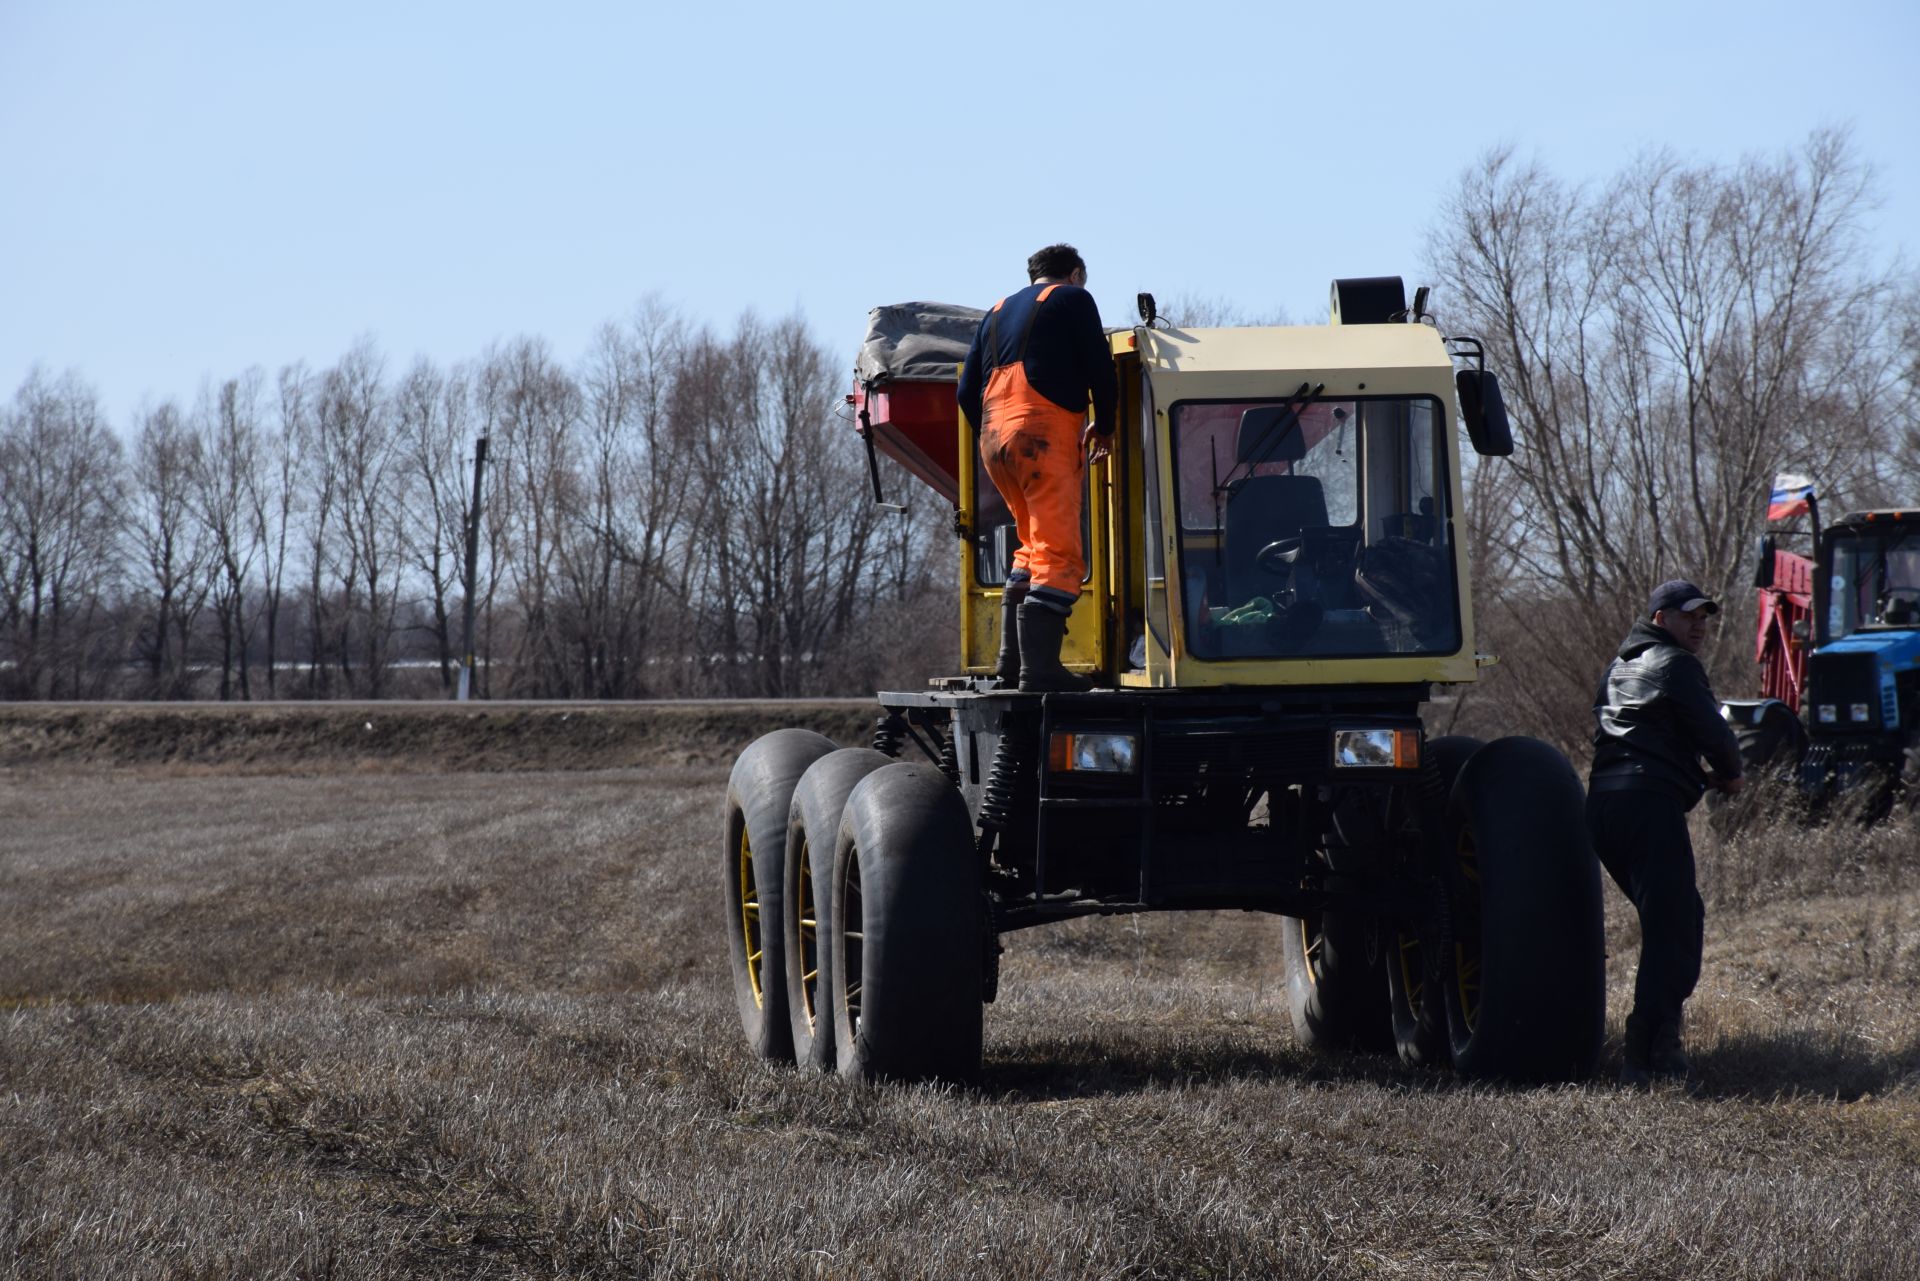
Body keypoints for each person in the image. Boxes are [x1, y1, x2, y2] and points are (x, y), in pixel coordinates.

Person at [1589, 579, 1745, 1088]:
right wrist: (1730, 771)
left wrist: (1696, 776)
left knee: (1670, 921)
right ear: (1661, 620)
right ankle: (1650, 1054)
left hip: (1604, 807)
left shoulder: (1619, 668)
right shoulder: (1676, 664)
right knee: (1675, 925)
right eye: (1689, 616)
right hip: (1647, 805)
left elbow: (1640, 738)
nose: (1700, 625)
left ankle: (1655, 1044)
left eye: (1705, 617)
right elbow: (1713, 732)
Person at [958, 243, 1117, 692]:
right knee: (1061, 553)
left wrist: (995, 435)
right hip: (1042, 437)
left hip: (995, 442)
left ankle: (1010, 663)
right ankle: (1040, 670)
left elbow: (967, 391)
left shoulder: (994, 313)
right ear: (1076, 273)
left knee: (1031, 545)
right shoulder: (1074, 299)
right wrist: (1104, 426)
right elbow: (1100, 367)